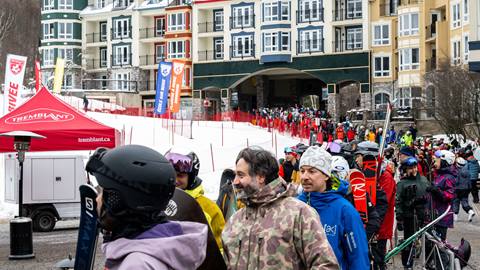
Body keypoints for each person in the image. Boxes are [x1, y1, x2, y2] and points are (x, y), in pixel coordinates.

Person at [86, 145, 208, 270]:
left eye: (103, 191)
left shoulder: (137, 265)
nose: (97, 199)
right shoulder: (158, 246)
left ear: (120, 201)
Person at [222, 147, 339, 269]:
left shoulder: (299, 214)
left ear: (261, 177)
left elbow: (326, 266)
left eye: (241, 175)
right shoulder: (234, 221)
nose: (235, 181)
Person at [297, 146, 370, 270]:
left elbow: (358, 257)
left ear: (326, 175)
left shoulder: (344, 210)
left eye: (312, 171)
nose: (304, 177)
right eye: (302, 171)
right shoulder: (295, 206)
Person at [165, 148, 225, 251]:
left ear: (191, 177)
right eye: (172, 174)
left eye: (180, 175)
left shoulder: (209, 207)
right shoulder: (159, 201)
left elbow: (220, 246)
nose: (175, 180)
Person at [395, 157, 430, 270]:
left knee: (426, 239)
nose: (413, 170)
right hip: (409, 216)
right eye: (410, 168)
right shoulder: (402, 183)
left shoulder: (423, 179)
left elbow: (430, 194)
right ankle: (407, 264)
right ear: (405, 170)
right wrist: (399, 217)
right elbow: (398, 200)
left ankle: (428, 261)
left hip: (423, 215)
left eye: (414, 167)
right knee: (408, 241)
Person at [429, 150, 456, 240]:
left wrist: (437, 191)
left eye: (436, 160)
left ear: (444, 162)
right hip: (435, 215)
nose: (434, 162)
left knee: (439, 244)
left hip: (442, 217)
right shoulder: (439, 175)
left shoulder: (448, 177)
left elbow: (449, 195)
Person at [453, 157, 475, 222]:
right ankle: (470, 211)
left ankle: (455, 216)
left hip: (457, 188)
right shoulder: (467, 171)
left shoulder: (456, 171)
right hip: (466, 189)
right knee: (464, 201)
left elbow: (456, 181)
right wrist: (469, 189)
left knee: (455, 201)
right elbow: (469, 181)